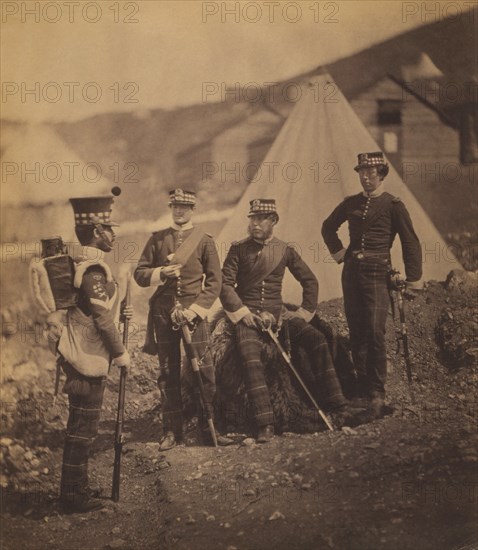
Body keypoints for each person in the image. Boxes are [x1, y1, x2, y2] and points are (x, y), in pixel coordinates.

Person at [220, 198, 355, 443]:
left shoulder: (284, 250)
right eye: (252, 218)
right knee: (249, 354)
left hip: (278, 317)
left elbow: (310, 281)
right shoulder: (238, 249)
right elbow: (226, 285)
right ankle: (265, 423)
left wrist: (303, 313)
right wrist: (243, 314)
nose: (255, 224)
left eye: (261, 219)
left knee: (316, 339)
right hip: (247, 317)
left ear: (273, 221)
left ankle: (338, 405)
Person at [322, 151, 422, 423]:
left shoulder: (393, 204)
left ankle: (378, 393)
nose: (365, 177)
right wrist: (339, 253)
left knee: (376, 331)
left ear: (382, 174)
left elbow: (410, 242)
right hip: (351, 273)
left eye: (371, 172)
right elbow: (328, 227)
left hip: (378, 273)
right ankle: (363, 392)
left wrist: (413, 279)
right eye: (361, 172)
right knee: (357, 332)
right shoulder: (351, 203)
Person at [134, 189, 232, 450]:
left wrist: (196, 310)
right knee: (168, 373)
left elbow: (215, 281)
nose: (179, 211)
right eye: (175, 206)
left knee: (204, 369)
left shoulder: (204, 241)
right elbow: (140, 274)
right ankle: (170, 432)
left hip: (193, 314)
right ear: (171, 208)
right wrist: (161, 273)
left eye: (184, 207)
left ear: (193, 210)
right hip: (163, 314)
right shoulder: (157, 239)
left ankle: (208, 429)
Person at [57, 194, 131, 514]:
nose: (114, 235)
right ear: (98, 230)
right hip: (85, 363)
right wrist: (121, 353)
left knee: (82, 428)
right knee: (82, 431)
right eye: (110, 229)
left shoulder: (85, 265)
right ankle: (73, 497)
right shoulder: (94, 271)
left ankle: (77, 487)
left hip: (82, 359)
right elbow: (101, 319)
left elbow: (103, 312)